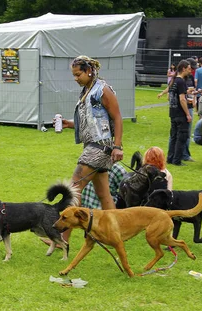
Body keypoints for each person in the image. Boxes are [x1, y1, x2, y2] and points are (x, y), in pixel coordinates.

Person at [58, 55, 123, 243]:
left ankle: (62, 237)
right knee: (104, 195)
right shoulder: (87, 90)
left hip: (99, 147)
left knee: (74, 189)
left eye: (78, 74)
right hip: (95, 146)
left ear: (89, 71)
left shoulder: (103, 90)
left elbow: (117, 117)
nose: (75, 78)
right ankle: (116, 232)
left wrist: (118, 146)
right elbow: (92, 119)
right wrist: (70, 124)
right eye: (74, 75)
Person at [166, 59, 195, 166]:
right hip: (180, 113)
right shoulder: (181, 81)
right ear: (183, 69)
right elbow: (182, 99)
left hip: (172, 112)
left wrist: (187, 91)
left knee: (173, 136)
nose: (190, 71)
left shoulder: (173, 81)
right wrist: (187, 113)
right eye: (188, 69)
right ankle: (177, 160)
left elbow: (171, 95)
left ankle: (170, 157)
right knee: (181, 136)